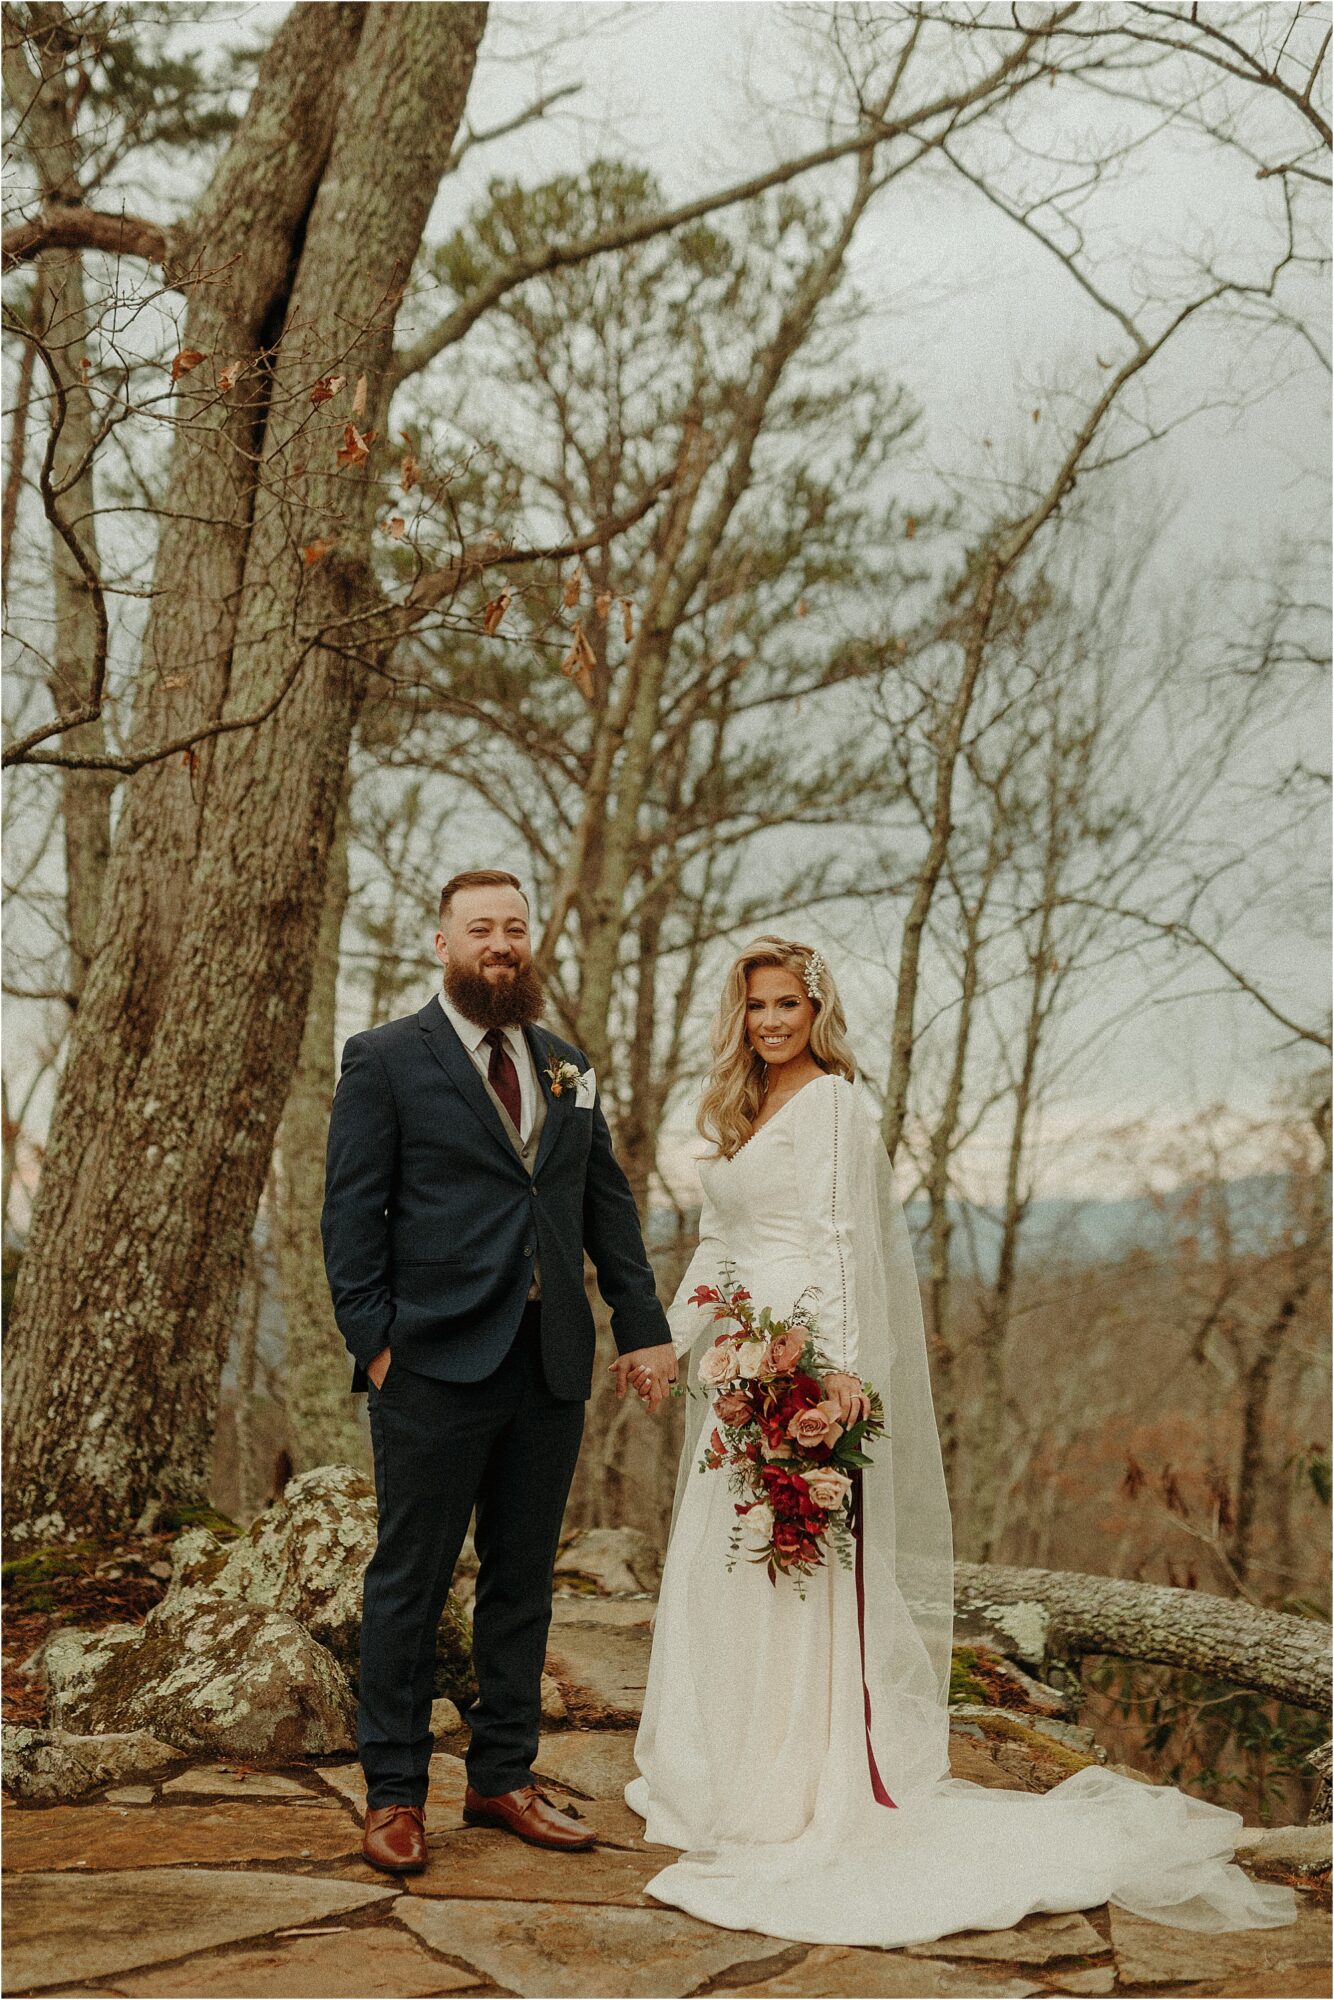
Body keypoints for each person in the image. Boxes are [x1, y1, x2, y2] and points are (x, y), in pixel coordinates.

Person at [626, 936, 1297, 1948]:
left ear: (816, 1010)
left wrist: (833, 1387)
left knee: (794, 1575)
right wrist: (667, 1345)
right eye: (754, 1005)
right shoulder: (745, 1111)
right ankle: (723, 1768)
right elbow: (721, 1244)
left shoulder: (836, 1106)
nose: (768, 1021)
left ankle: (794, 1790)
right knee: (731, 1570)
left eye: (785, 1004)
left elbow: (845, 1254)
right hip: (735, 1373)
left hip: (798, 1374)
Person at [322, 869, 676, 1875]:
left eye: (514, 927)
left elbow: (603, 1203)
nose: (501, 942)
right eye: (480, 927)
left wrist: (640, 1325)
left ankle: (500, 1776)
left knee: (521, 1581)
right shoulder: (386, 1057)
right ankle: (393, 1794)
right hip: (431, 1362)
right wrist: (379, 1347)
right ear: (441, 943)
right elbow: (350, 1217)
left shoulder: (565, 1064)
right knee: (411, 1579)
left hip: (547, 1361)